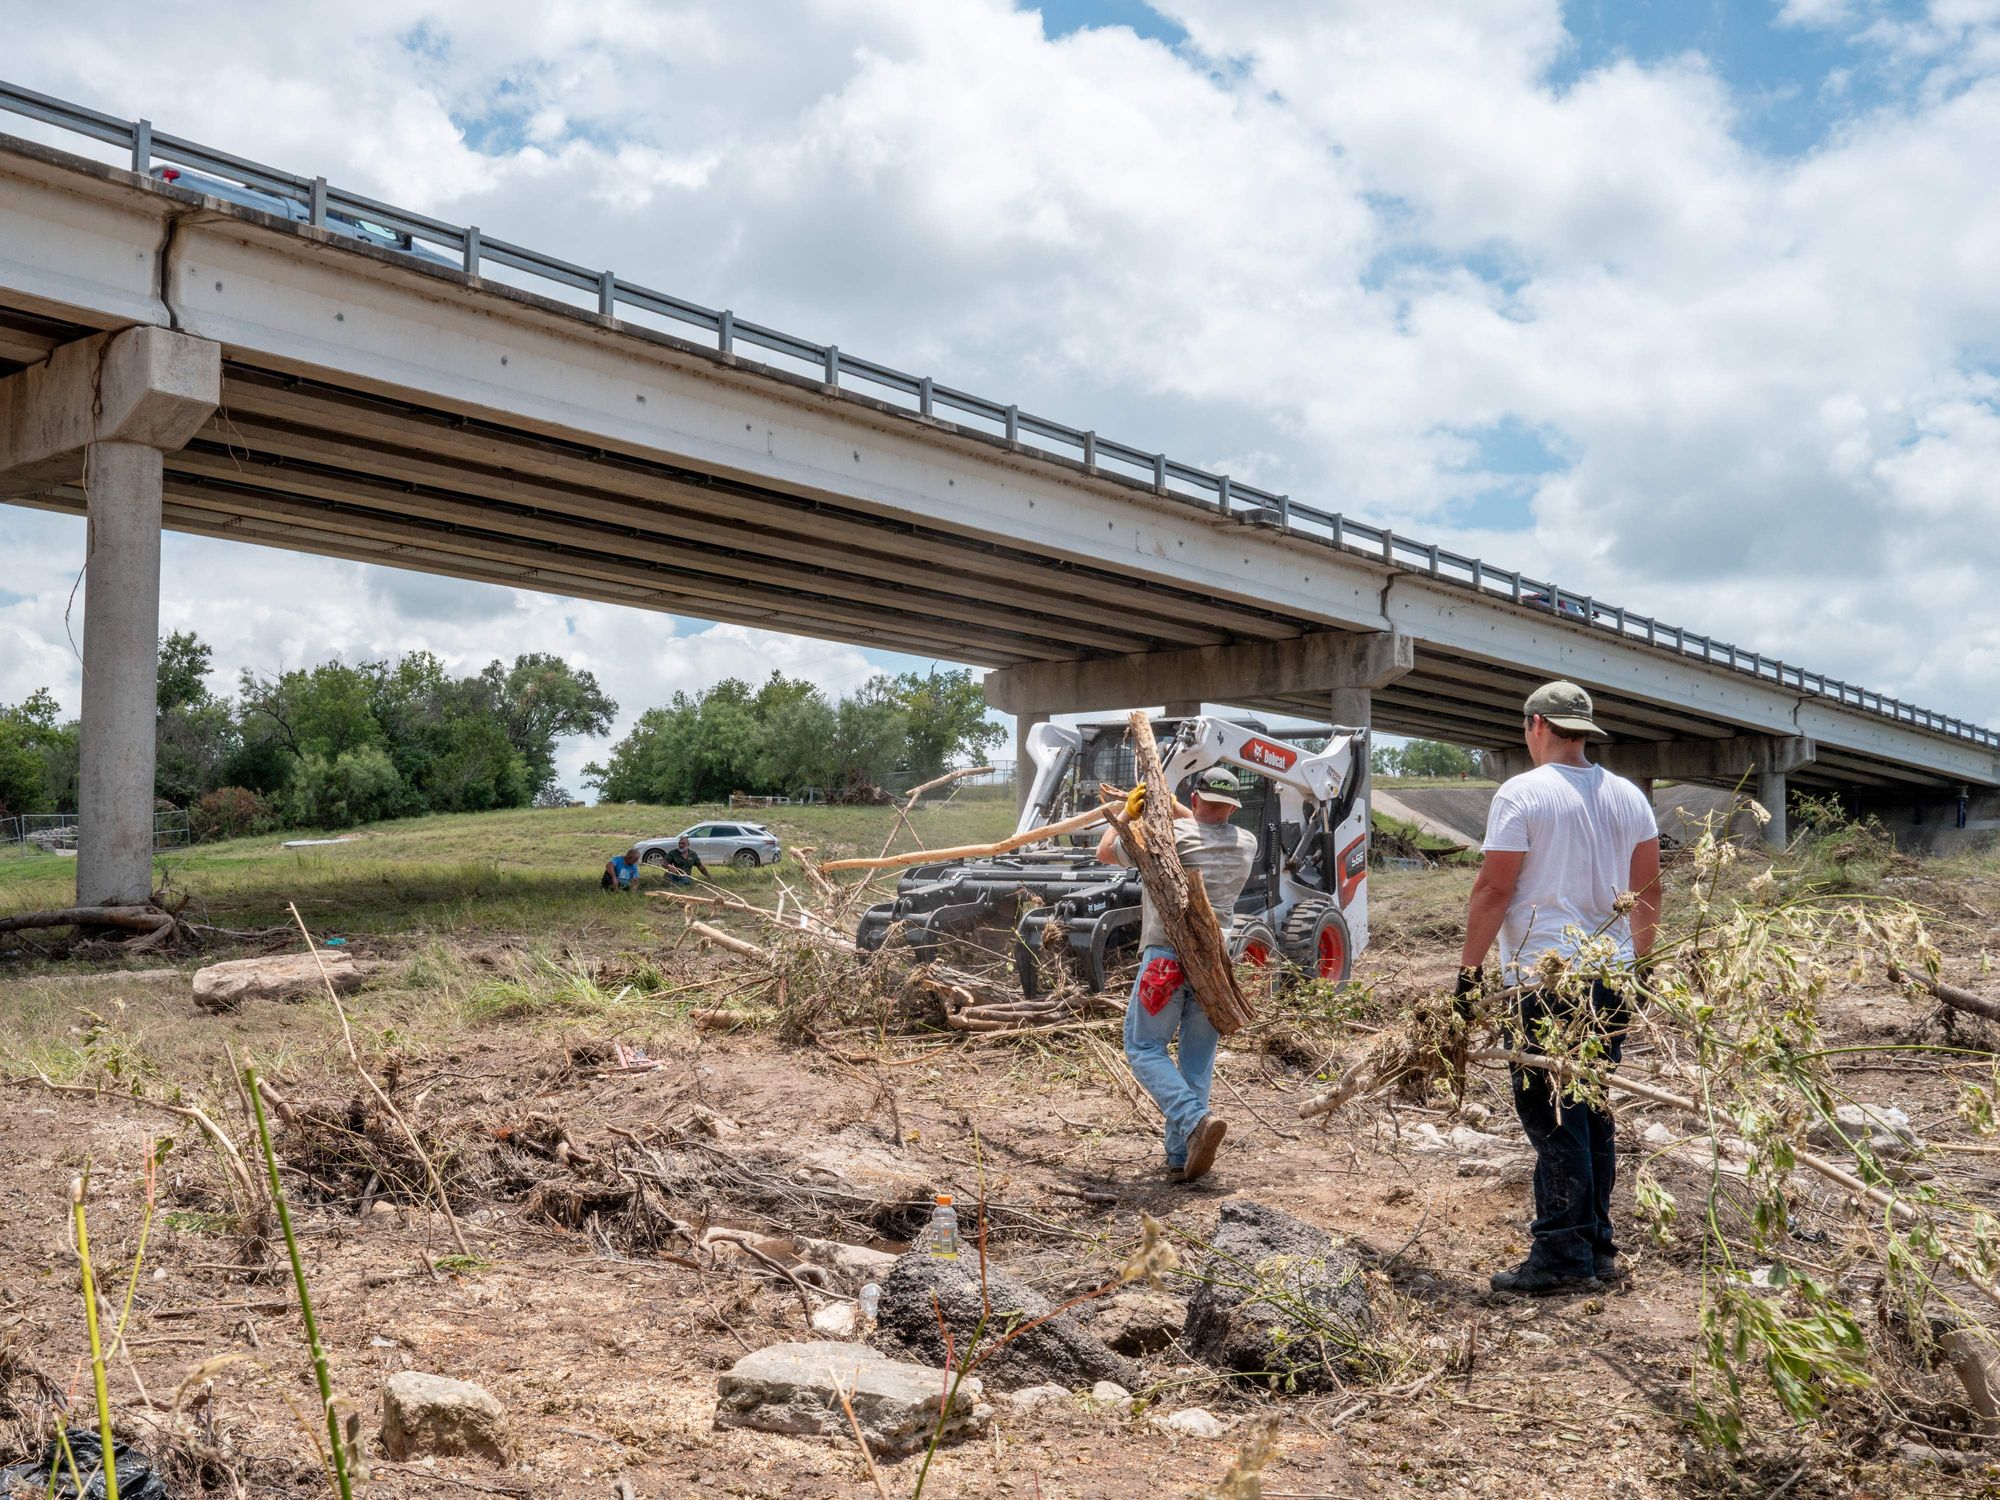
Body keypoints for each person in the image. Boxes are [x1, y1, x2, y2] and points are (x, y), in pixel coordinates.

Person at [1458, 681, 1661, 1295]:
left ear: (1537, 725)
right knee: (1590, 1108)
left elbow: (1494, 889)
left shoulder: (1522, 793)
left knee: (1553, 1114)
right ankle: (1596, 1246)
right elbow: (1648, 890)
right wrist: (1642, 966)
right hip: (1611, 976)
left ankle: (1562, 1256)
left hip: (1544, 981)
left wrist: (1468, 975)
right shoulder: (1628, 795)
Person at [1095, 765, 1260, 1184]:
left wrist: (1129, 814)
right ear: (1233, 806)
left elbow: (1105, 851)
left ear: (1196, 798)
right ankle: (1180, 1155)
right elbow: (1203, 827)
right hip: (1216, 965)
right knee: (1197, 1061)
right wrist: (1175, 808)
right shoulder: (1247, 842)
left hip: (1165, 961)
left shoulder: (1167, 839)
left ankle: (1194, 1119)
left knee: (1144, 1047)